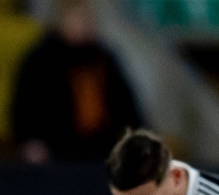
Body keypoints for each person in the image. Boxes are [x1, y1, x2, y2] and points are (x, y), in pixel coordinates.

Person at [11, 0, 143, 164]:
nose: (86, 23)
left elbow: (126, 106)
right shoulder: (41, 61)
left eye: (89, 17)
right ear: (60, 20)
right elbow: (24, 109)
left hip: (102, 151)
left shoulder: (103, 59)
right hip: (57, 154)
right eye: (78, 16)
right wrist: (30, 142)